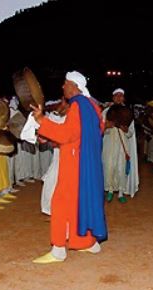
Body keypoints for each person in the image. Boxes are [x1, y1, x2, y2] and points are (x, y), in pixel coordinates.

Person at [30, 71, 107, 263]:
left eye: (65, 84)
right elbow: (93, 131)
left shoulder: (78, 105)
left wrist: (41, 121)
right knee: (80, 203)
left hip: (74, 164)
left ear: (74, 86)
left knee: (61, 203)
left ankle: (58, 250)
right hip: (86, 163)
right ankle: (88, 243)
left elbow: (67, 134)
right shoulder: (93, 106)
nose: (63, 87)